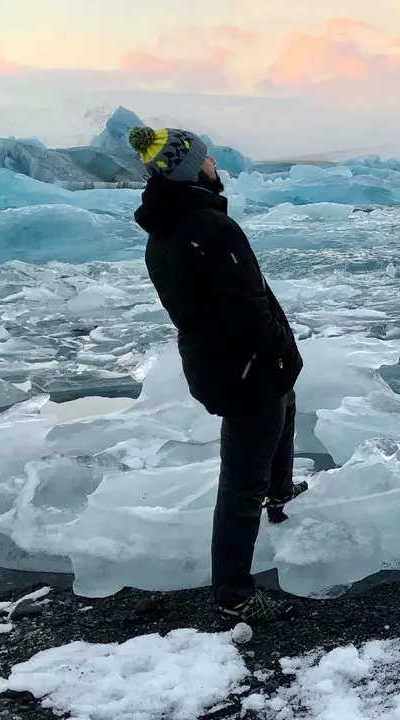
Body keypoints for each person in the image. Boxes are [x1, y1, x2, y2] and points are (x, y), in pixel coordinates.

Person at [130, 126, 306, 624]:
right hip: (245, 369)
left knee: (284, 408)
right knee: (240, 482)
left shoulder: (166, 229)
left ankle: (281, 490)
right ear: (191, 169)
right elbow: (247, 305)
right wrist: (276, 350)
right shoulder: (210, 227)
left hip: (216, 362)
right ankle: (234, 595)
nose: (214, 166)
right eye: (206, 160)